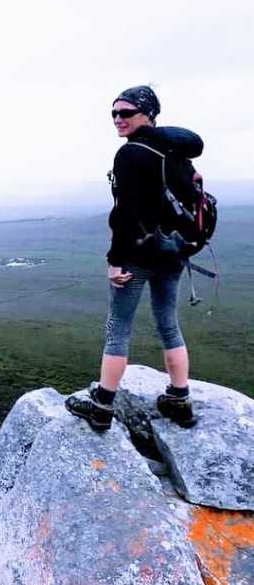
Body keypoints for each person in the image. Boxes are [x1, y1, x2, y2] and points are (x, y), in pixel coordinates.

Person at [66, 85, 201, 432]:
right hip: (172, 254)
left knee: (118, 328)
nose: (117, 119)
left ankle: (102, 405)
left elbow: (124, 214)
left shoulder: (130, 155)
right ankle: (180, 399)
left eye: (125, 113)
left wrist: (115, 261)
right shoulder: (174, 152)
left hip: (138, 255)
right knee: (168, 323)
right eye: (114, 113)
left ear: (148, 115)